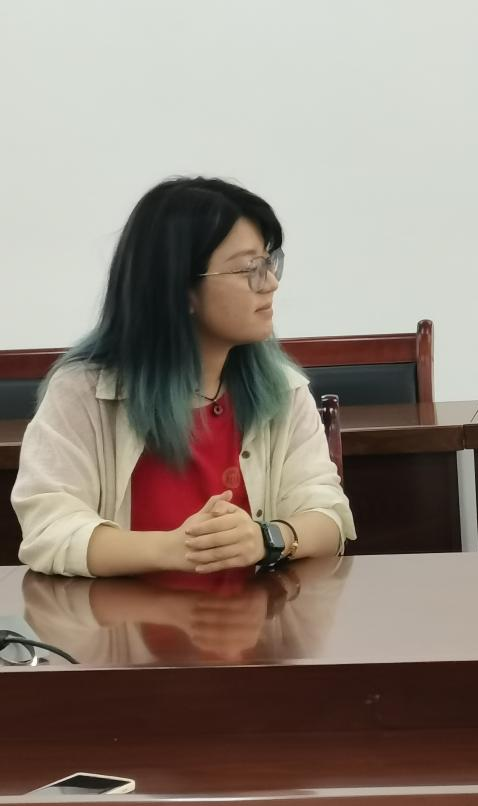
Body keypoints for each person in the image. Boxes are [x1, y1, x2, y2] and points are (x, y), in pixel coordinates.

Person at [13, 177, 356, 577]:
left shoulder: (281, 389)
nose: (271, 283)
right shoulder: (84, 392)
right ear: (178, 289)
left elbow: (329, 515)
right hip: (122, 616)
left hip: (256, 614)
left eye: (269, 263)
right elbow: (49, 529)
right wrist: (175, 548)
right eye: (249, 268)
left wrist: (265, 538)